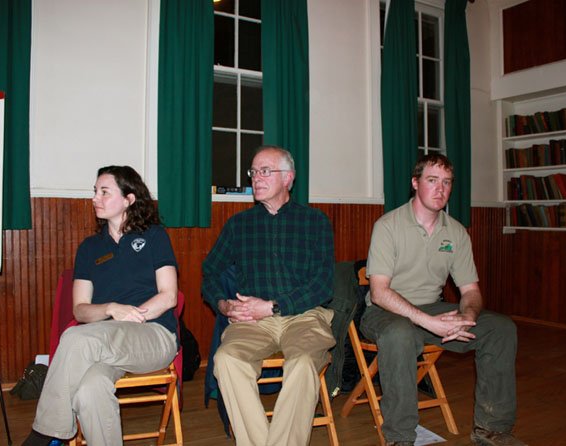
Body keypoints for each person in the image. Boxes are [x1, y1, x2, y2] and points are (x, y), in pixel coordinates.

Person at [360, 154, 525, 446]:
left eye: (447, 182)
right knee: (400, 334)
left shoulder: (457, 232)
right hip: (385, 312)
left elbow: (471, 290)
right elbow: (380, 292)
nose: (440, 189)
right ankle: (399, 438)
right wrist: (429, 323)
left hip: (432, 308)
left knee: (500, 328)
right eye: (432, 180)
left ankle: (492, 429)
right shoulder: (388, 226)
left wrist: (467, 317)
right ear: (415, 183)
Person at [23, 165, 179, 446]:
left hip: (153, 335)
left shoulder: (155, 236)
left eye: (104, 192)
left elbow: (168, 296)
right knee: (88, 389)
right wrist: (110, 309)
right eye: (95, 192)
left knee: (74, 338)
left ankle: (44, 434)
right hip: (103, 340)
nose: (95, 198)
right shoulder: (89, 248)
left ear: (129, 199)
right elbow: (80, 309)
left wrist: (131, 316)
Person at [202, 146, 336, 446]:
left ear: (288, 178)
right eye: (253, 172)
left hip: (304, 316)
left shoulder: (315, 222)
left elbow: (324, 284)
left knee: (302, 364)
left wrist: (274, 306)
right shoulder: (239, 225)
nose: (256, 178)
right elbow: (209, 272)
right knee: (226, 360)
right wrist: (222, 305)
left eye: (265, 171)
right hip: (253, 321)